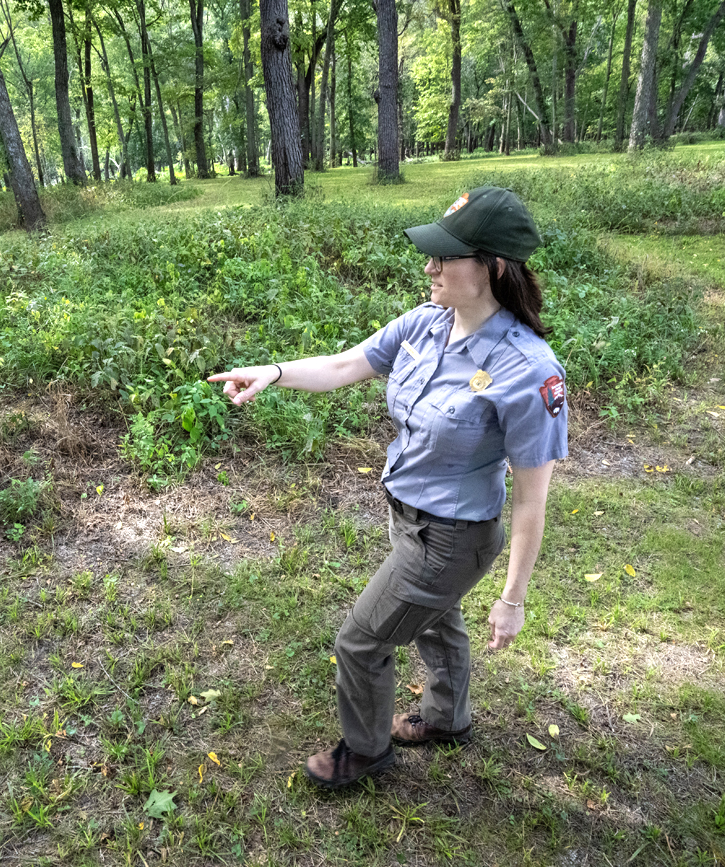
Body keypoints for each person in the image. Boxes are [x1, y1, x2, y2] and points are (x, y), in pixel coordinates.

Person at [207, 187, 569, 788]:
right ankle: (447, 719)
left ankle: (366, 752)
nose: (429, 266)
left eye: (445, 257)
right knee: (435, 617)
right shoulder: (425, 325)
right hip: (410, 518)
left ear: (492, 268)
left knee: (360, 642)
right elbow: (349, 364)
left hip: (453, 537)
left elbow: (533, 496)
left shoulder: (529, 369)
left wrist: (513, 598)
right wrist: (272, 373)